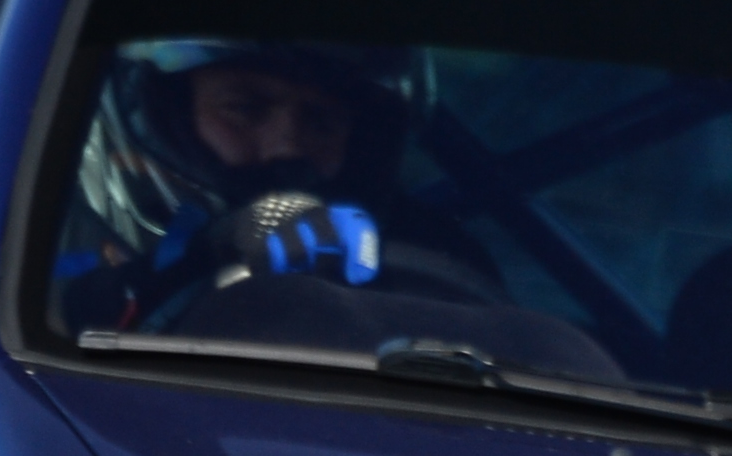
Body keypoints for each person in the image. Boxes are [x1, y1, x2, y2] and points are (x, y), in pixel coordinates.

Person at [52, 37, 472, 332]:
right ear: (160, 117)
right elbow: (71, 321)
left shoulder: (432, 248)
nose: (287, 146)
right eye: (244, 108)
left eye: (321, 122)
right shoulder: (38, 238)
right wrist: (212, 248)